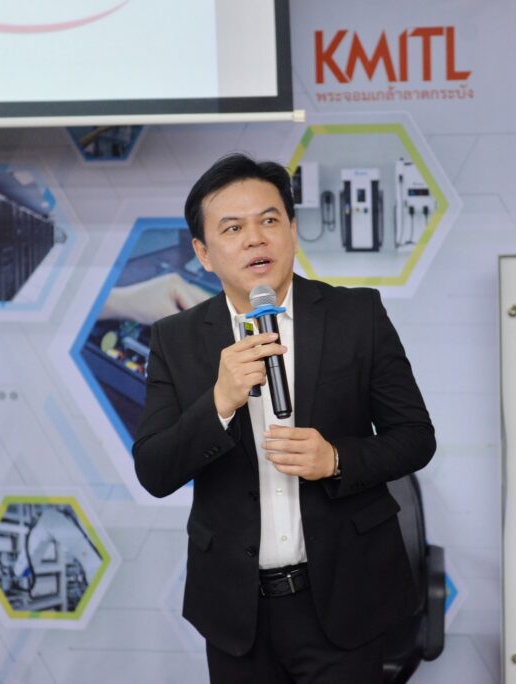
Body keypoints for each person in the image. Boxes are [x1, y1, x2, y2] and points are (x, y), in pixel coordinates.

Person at [133, 153, 435, 683]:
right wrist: (219, 401)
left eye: (269, 220)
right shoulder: (175, 340)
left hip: (344, 601)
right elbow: (154, 471)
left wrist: (335, 458)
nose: (255, 239)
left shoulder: (356, 316)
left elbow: (415, 438)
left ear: (292, 231)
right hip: (236, 612)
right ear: (203, 253)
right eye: (233, 228)